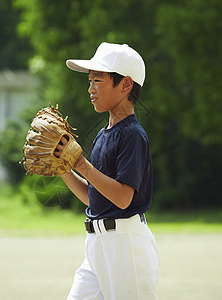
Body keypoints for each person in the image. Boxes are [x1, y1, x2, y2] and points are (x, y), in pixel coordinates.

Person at [59, 42, 159, 300]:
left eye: (97, 80)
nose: (90, 89)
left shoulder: (133, 135)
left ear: (125, 85)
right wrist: (62, 167)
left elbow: (123, 198)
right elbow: (96, 198)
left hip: (125, 246)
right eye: (90, 81)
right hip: (97, 244)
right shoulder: (105, 134)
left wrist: (81, 164)